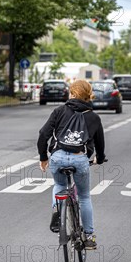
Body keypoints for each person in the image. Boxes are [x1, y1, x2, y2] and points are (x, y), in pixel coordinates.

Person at [37, 79, 106, 250]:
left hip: (58, 157)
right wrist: (100, 158)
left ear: (73, 93)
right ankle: (89, 236)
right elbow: (100, 144)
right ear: (87, 95)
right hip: (80, 158)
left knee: (59, 185)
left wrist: (43, 157)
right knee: (83, 197)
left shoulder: (59, 111)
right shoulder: (94, 117)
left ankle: (56, 211)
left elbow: (43, 134)